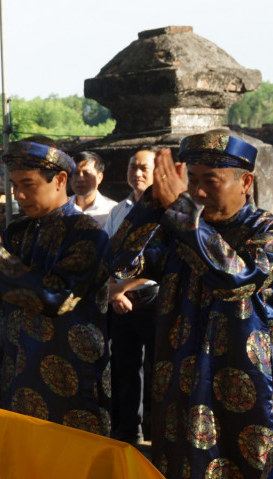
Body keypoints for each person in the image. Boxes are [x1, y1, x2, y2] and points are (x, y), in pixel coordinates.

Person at [109, 129, 273, 479]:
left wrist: (179, 209)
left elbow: (235, 277)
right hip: (179, 389)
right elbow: (118, 261)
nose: (196, 191)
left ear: (245, 183)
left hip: (247, 397)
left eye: (209, 180)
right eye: (190, 179)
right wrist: (150, 206)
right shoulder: (179, 225)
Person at [0, 137, 111, 436]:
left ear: (60, 180)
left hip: (72, 377)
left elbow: (58, 298)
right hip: (21, 370)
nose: (18, 195)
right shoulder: (18, 232)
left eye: (27, 185)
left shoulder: (87, 234)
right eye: (14, 185)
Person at [104, 148, 160, 444]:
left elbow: (160, 262)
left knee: (158, 366)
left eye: (144, 168)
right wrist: (115, 292)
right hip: (120, 298)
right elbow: (111, 256)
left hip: (151, 296)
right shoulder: (119, 210)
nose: (137, 173)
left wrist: (121, 287)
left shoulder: (167, 211)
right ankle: (128, 429)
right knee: (124, 365)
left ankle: (157, 431)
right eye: (132, 167)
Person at [70, 151, 116, 227]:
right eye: (76, 173)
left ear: (99, 178)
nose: (80, 179)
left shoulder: (113, 210)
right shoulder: (61, 208)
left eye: (86, 173)